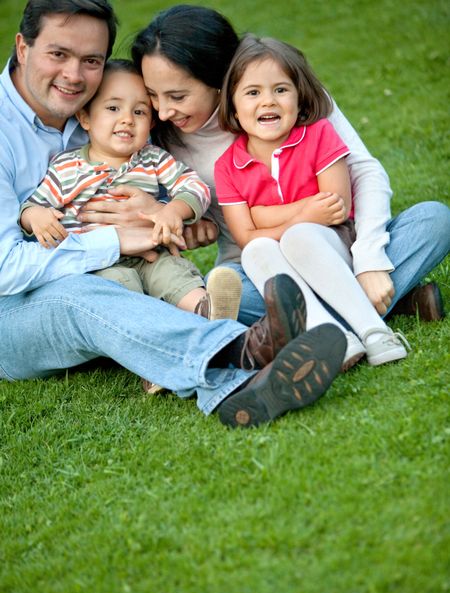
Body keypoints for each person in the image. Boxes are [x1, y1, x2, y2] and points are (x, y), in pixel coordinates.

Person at [0, 0, 347, 429]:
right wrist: (112, 241)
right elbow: (5, 270)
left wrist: (179, 218)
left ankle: (330, 309)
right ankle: (242, 357)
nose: (74, 75)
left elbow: (181, 188)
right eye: (59, 54)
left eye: (91, 60)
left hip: (140, 276)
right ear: (22, 46)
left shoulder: (106, 109)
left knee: (245, 284)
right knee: (84, 295)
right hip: (19, 312)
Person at [130, 4, 450, 331]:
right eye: (154, 96)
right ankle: (372, 311)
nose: (165, 111)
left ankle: (320, 322)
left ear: (218, 79)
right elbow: (170, 204)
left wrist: (369, 260)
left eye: (178, 96)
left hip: (338, 248)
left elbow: (363, 173)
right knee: (222, 290)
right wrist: (181, 218)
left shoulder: (286, 101)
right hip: (259, 266)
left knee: (434, 220)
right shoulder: (160, 136)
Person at [214, 35, 412, 367]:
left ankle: (375, 332)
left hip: (333, 245)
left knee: (300, 236)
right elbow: (245, 237)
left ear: (300, 96)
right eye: (252, 92)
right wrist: (304, 212)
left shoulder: (318, 133)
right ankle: (333, 334)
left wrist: (264, 215)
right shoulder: (227, 167)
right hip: (280, 260)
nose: (268, 101)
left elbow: (334, 206)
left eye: (280, 89)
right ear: (233, 105)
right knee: (256, 252)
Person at [20, 57, 242, 321]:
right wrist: (35, 217)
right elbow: (34, 204)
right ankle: (150, 325)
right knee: (116, 287)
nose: (127, 119)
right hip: (98, 263)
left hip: (153, 255)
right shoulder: (68, 167)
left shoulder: (154, 159)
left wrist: (173, 210)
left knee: (173, 274)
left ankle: (208, 311)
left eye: (139, 112)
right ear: (85, 117)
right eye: (113, 108)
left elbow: (195, 186)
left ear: (151, 123)